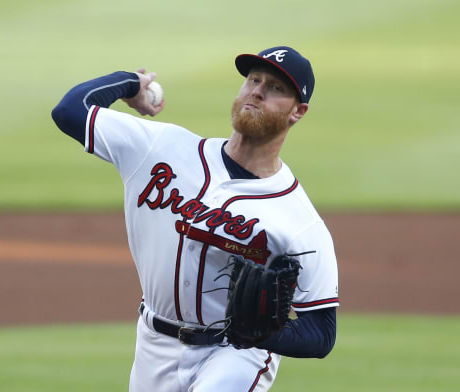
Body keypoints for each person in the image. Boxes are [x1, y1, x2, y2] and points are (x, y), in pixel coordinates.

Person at [52, 46, 339, 392]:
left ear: (298, 111)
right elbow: (70, 111)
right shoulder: (161, 148)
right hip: (152, 345)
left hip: (234, 355)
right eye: (253, 79)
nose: (258, 91)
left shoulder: (300, 221)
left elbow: (321, 332)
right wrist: (131, 83)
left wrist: (266, 335)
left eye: (276, 88)